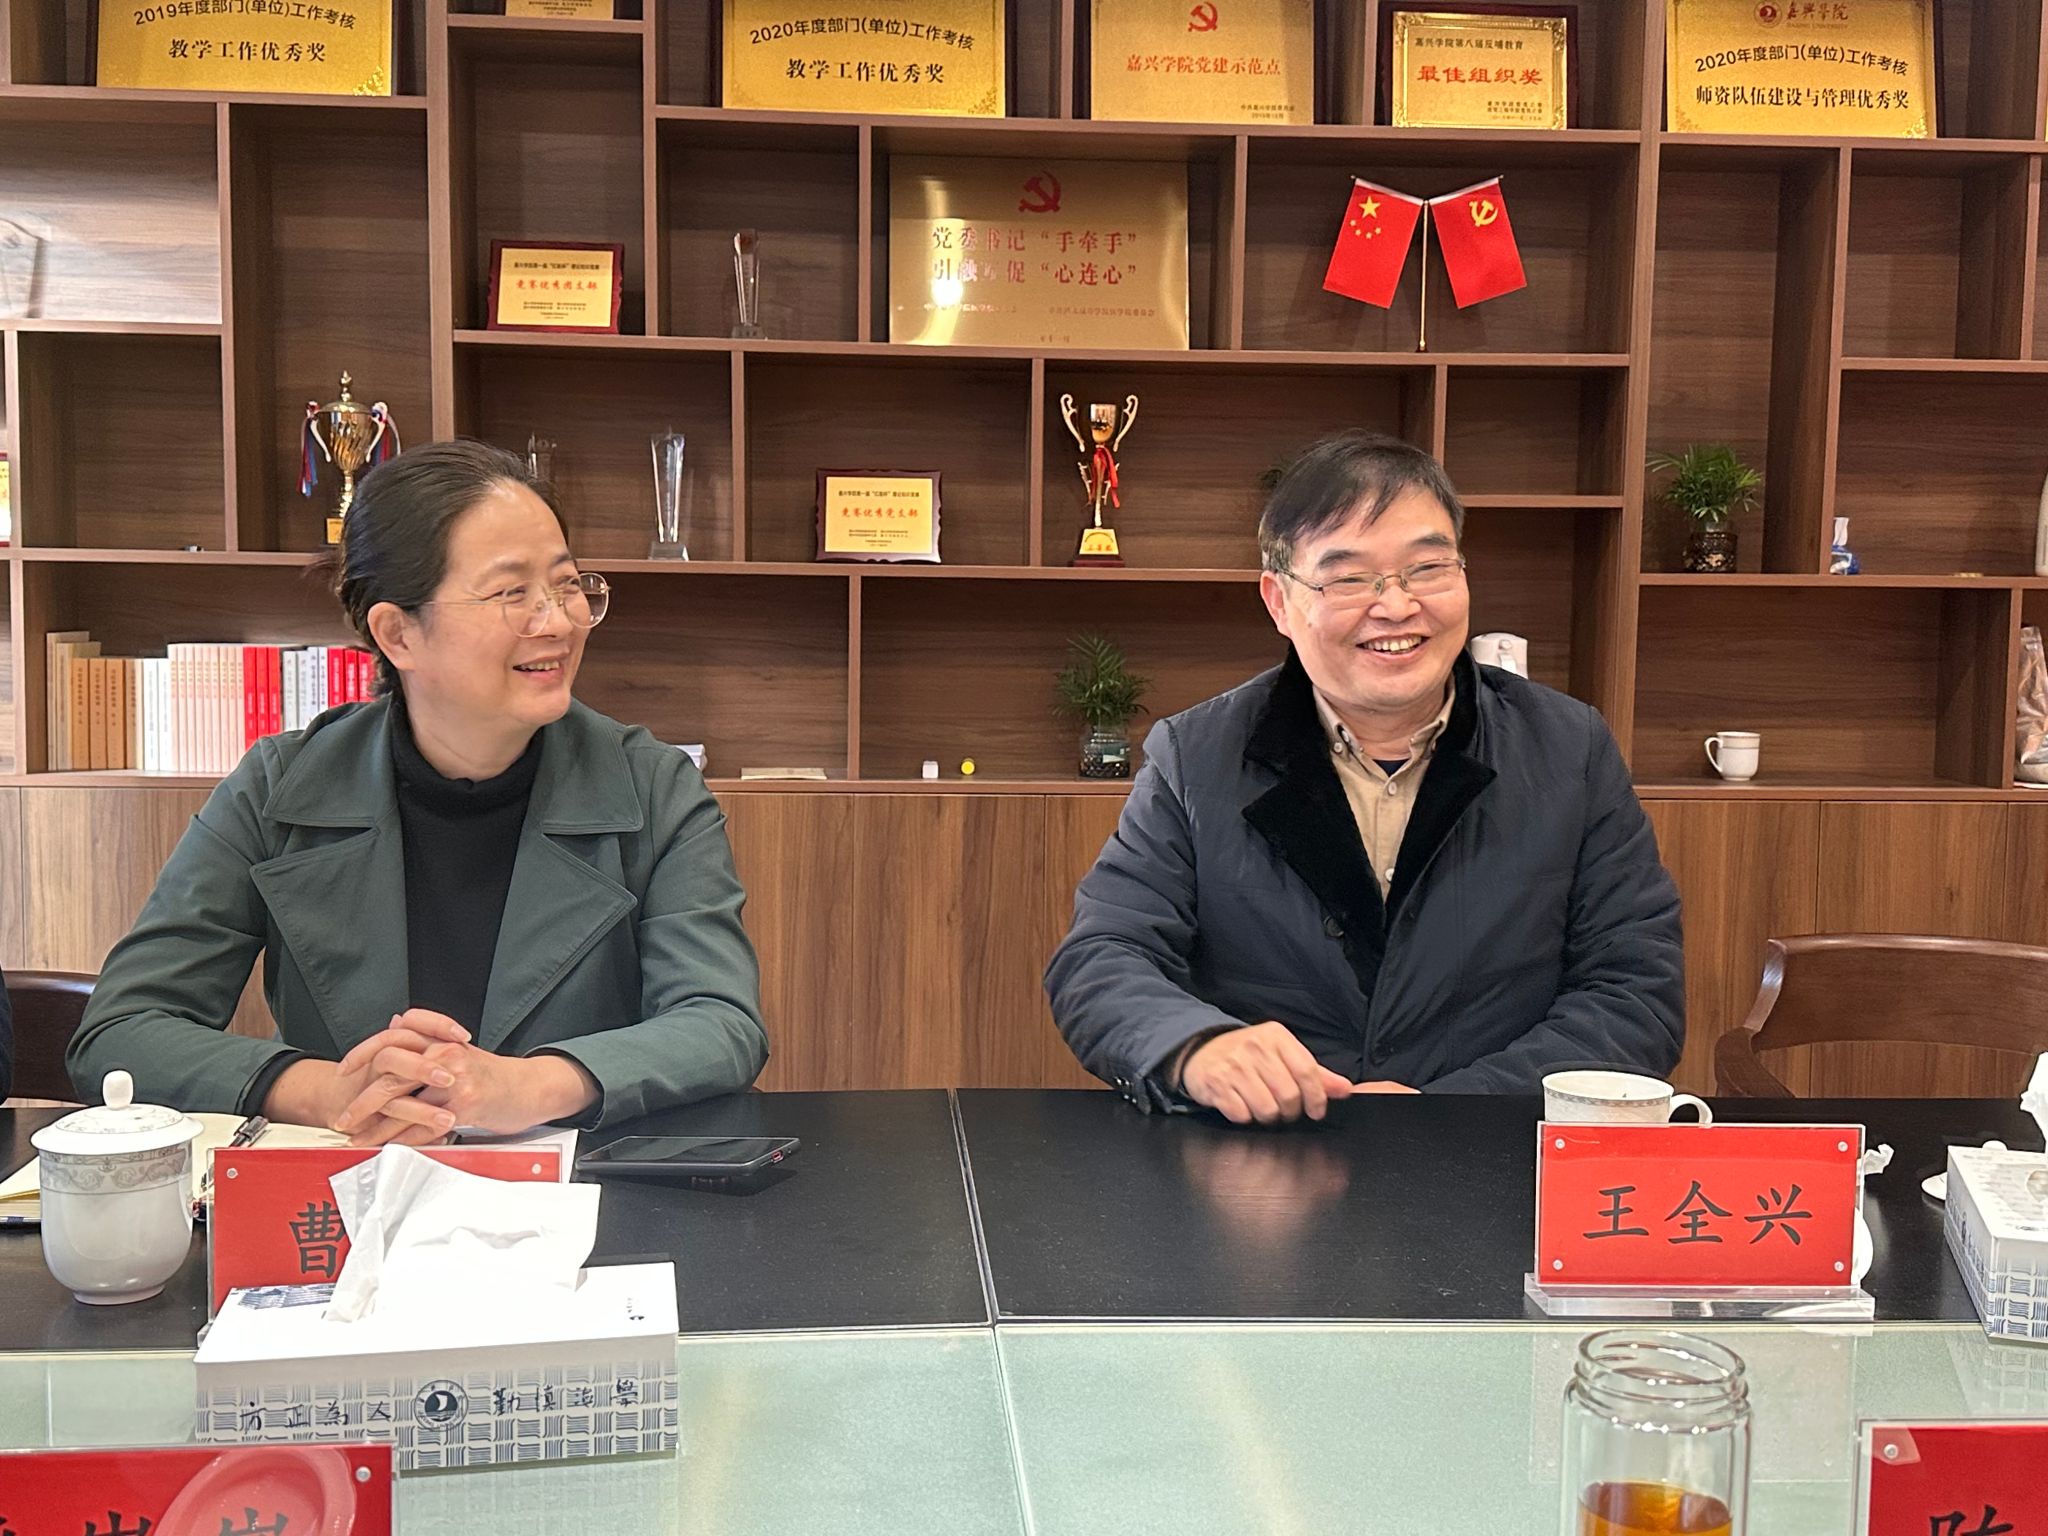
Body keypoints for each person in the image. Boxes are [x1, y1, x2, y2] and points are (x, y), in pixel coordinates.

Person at [70, 440, 767, 1142]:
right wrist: (326, 1091)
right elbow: (121, 1032)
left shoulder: (653, 786)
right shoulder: (279, 786)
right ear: (397, 634)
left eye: (566, 585)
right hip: (349, 1180)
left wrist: (528, 1086)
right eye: (511, 593)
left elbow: (720, 1023)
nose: (558, 621)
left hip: (582, 1187)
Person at [1045, 430, 1683, 1124]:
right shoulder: (1196, 755)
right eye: (1349, 578)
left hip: (1493, 1154)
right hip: (1266, 1155)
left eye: (1428, 568)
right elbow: (1104, 958)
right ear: (1279, 602)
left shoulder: (1567, 748)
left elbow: (1635, 993)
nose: (1397, 606)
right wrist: (1193, 1047)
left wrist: (1449, 1112)